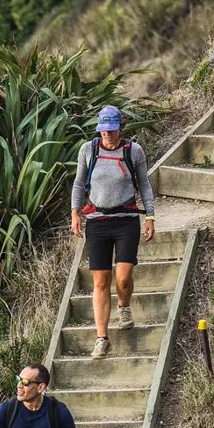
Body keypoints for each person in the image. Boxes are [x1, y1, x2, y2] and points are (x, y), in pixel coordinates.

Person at [70, 105, 155, 359]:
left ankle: (124, 306)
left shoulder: (133, 151)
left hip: (126, 220)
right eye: (103, 130)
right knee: (100, 280)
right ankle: (102, 338)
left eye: (111, 129)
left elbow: (145, 184)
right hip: (97, 221)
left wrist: (150, 215)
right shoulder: (89, 149)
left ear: (120, 128)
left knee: (123, 278)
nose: (106, 134)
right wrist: (75, 211)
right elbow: (78, 182)